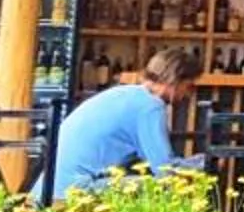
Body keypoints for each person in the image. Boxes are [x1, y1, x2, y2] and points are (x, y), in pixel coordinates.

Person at [49, 45, 201, 195]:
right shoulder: (150, 106)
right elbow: (165, 171)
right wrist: (204, 164)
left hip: (51, 186)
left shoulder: (125, 93)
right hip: (78, 189)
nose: (188, 95)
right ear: (174, 80)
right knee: (159, 186)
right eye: (189, 87)